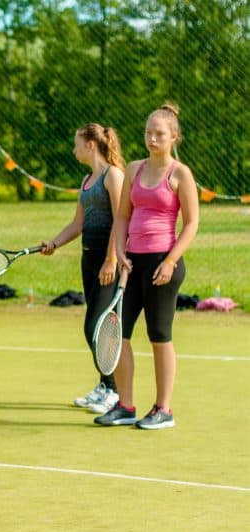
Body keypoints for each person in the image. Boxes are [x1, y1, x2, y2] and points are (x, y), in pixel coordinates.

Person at [94, 102, 199, 429]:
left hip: (162, 265)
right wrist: (121, 253)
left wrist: (170, 261)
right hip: (133, 262)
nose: (152, 138)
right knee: (118, 336)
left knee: (159, 335)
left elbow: (192, 223)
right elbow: (123, 215)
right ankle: (125, 405)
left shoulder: (180, 174)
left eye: (159, 134)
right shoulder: (135, 169)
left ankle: (163, 409)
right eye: (148, 132)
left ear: (174, 137)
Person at [40, 124, 124, 413]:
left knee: (97, 327)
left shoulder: (113, 175)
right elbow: (77, 224)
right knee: (95, 327)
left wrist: (111, 259)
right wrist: (54, 243)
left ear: (90, 145)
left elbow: (120, 220)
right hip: (88, 261)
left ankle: (114, 390)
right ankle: (104, 386)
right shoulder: (87, 180)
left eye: (77, 144)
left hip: (107, 262)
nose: (73, 149)